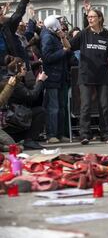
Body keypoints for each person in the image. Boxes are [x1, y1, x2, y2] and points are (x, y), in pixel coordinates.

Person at [68, 9, 108, 145]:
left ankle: (105, 134)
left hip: (103, 75)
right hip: (86, 75)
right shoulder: (83, 34)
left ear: (100, 18)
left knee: (104, 106)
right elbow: (69, 46)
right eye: (88, 17)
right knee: (85, 106)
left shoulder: (106, 35)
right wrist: (62, 37)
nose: (90, 19)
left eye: (93, 17)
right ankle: (84, 134)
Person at [2, 56, 47, 149]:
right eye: (24, 68)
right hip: (12, 118)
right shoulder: (14, 83)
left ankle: (23, 139)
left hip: (12, 115)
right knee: (40, 111)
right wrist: (40, 81)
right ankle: (29, 140)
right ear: (16, 69)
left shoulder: (12, 79)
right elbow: (32, 96)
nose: (26, 71)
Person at [40, 15, 72, 144]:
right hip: (53, 77)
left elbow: (69, 48)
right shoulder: (47, 37)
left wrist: (63, 37)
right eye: (58, 21)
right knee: (54, 107)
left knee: (62, 106)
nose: (60, 23)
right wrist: (62, 52)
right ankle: (52, 134)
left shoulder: (55, 35)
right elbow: (46, 57)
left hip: (61, 76)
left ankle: (60, 133)